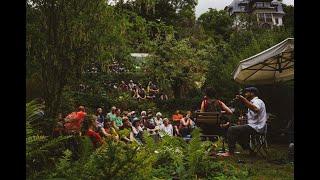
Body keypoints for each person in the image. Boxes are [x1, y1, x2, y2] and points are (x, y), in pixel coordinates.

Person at [219, 87, 267, 157]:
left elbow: (256, 109)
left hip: (256, 127)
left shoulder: (258, 101)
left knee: (232, 129)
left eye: (247, 92)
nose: (245, 94)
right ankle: (250, 151)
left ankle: (230, 153)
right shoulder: (252, 102)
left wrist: (243, 99)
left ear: (252, 93)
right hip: (254, 126)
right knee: (235, 128)